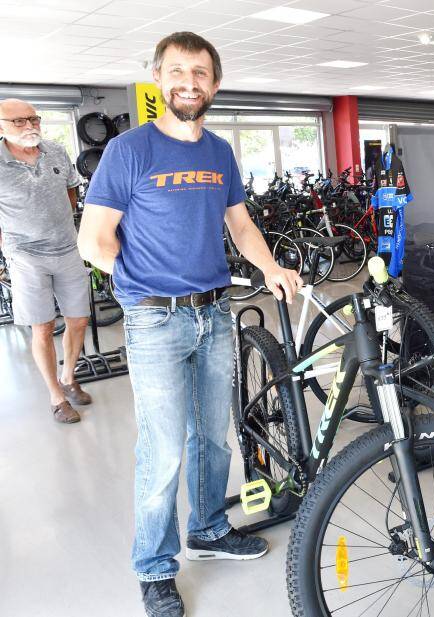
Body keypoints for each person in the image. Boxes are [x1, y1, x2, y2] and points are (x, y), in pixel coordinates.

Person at [77, 32, 302, 617]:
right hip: (154, 321)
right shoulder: (129, 151)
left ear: (215, 84)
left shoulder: (219, 152)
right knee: (164, 448)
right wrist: (135, 282)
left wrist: (271, 266)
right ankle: (153, 567)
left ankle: (207, 528)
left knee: (212, 438)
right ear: (158, 77)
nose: (189, 82)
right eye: (177, 71)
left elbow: (241, 225)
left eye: (200, 73)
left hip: (213, 314)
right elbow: (93, 239)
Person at [0, 98, 91, 424]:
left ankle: (69, 377)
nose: (29, 126)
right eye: (18, 122)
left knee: (79, 319)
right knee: (43, 326)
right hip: (25, 255)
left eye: (33, 119)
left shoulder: (55, 151)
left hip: (67, 248)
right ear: (1, 127)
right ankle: (56, 396)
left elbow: (70, 191)